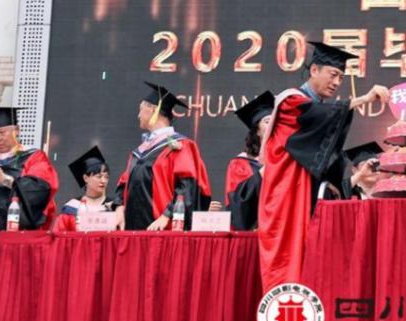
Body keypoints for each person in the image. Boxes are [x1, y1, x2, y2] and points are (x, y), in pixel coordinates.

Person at [258, 41, 390, 290]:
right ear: (314, 69)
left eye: (341, 77)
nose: (337, 82)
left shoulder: (317, 109)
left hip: (304, 194)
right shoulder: (291, 102)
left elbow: (326, 146)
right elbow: (315, 115)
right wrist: (364, 98)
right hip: (286, 196)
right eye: (333, 74)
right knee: (287, 261)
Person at [113, 82, 212, 231]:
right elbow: (124, 182)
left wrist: (167, 215)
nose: (138, 115)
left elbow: (187, 187)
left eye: (141, 109)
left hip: (162, 231)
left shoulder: (181, 146)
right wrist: (119, 208)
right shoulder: (140, 151)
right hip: (133, 231)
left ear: (153, 109)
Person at [0, 107, 58, 230]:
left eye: (2, 132)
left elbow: (39, 190)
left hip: (17, 234)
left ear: (17, 130)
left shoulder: (34, 158)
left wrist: (4, 179)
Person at [225, 91, 274, 231]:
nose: (273, 125)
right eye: (267, 121)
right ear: (257, 131)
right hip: (254, 233)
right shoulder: (240, 164)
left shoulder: (287, 160)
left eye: (275, 121)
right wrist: (262, 173)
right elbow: (238, 207)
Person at [53, 146, 114, 232]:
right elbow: (59, 235)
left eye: (106, 177)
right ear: (85, 178)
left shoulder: (114, 207)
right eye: (99, 176)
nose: (103, 181)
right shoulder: (72, 207)